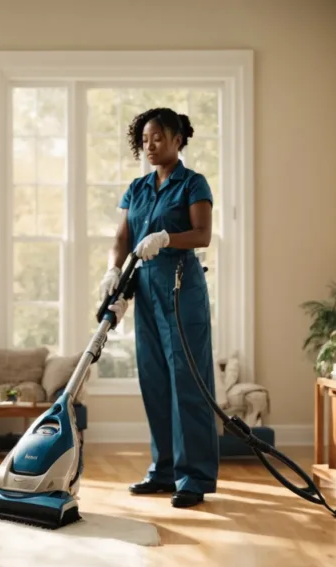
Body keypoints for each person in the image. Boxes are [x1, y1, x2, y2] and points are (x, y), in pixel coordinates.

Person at [98, 107, 218, 509]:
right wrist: (113, 270)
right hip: (145, 290)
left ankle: (194, 477)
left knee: (188, 383)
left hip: (182, 290)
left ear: (177, 140)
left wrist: (166, 238)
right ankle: (164, 470)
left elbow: (202, 235)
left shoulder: (193, 183)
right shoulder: (137, 188)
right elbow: (123, 237)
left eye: (158, 139)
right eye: (145, 140)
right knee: (154, 381)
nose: (150, 146)